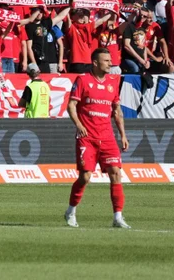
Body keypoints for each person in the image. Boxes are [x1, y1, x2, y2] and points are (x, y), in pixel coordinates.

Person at [65, 49, 130, 230]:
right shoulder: (83, 80)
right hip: (87, 137)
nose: (110, 63)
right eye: (106, 60)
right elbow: (71, 105)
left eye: (110, 60)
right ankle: (71, 210)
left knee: (116, 174)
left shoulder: (113, 82)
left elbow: (117, 111)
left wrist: (123, 135)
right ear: (95, 62)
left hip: (107, 137)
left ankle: (118, 217)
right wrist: (78, 124)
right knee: (85, 176)